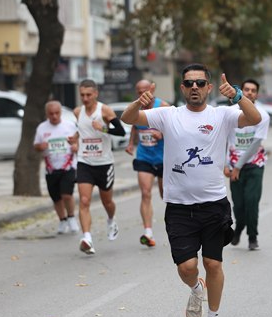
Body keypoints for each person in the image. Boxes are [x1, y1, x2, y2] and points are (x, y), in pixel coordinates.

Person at [121, 63, 263, 317]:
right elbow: (128, 118)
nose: (194, 87)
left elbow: (254, 117)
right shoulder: (168, 115)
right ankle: (197, 288)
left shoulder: (221, 115)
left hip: (213, 204)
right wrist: (139, 102)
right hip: (178, 206)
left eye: (200, 83)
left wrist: (237, 96)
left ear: (209, 87)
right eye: (189, 83)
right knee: (186, 267)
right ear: (182, 88)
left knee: (213, 263)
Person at [70, 79, 125, 255]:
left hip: (104, 163)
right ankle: (87, 238)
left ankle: (111, 219)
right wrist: (74, 138)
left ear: (95, 94)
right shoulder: (77, 112)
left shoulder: (105, 110)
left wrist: (103, 129)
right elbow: (82, 129)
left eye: (88, 95)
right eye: (82, 95)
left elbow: (121, 131)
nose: (85, 98)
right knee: (84, 200)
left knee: (107, 201)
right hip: (85, 162)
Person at [225, 78, 270, 251]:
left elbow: (256, 143)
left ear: (257, 94)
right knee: (238, 204)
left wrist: (238, 166)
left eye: (253, 90)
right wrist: (226, 164)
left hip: (254, 164)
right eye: (247, 89)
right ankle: (238, 228)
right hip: (233, 165)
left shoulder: (262, 115)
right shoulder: (230, 113)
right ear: (241, 91)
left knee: (251, 201)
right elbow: (225, 140)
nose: (250, 92)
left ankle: (252, 237)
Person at [125, 79, 170, 248]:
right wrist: (131, 143)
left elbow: (177, 128)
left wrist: (162, 134)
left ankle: (176, 225)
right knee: (145, 193)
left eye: (145, 90)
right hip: (144, 157)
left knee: (166, 195)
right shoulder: (136, 107)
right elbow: (134, 126)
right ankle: (148, 232)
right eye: (138, 92)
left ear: (152, 89)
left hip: (163, 158)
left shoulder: (163, 106)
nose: (142, 94)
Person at [34, 100, 80, 235]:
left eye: (57, 113)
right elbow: (36, 145)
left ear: (61, 112)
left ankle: (71, 217)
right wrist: (40, 146)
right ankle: (62, 220)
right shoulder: (42, 128)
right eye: (51, 113)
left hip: (68, 166)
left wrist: (75, 146)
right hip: (51, 167)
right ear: (46, 114)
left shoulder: (70, 125)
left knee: (67, 194)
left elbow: (78, 141)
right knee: (56, 197)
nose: (54, 116)